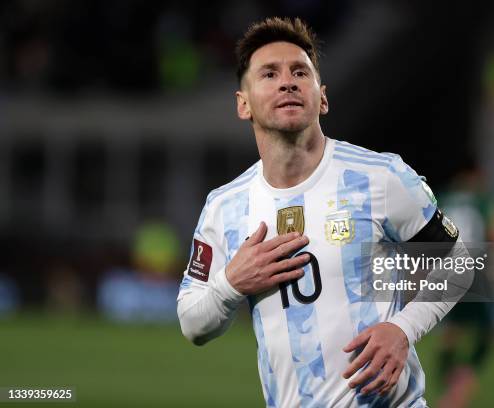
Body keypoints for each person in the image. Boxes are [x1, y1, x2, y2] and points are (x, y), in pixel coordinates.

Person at [177, 17, 470, 407]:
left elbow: (459, 262)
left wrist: (403, 329)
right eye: (269, 74)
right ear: (243, 104)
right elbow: (192, 324)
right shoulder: (225, 207)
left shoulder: (380, 177)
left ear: (323, 97)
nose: (287, 81)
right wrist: (232, 283)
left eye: (300, 71)